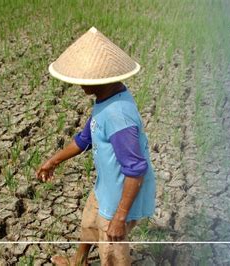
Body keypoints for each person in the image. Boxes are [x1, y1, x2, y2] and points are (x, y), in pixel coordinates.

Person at [36, 27, 156, 266]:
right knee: (89, 223)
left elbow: (135, 169)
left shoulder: (118, 117)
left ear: (101, 80)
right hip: (106, 189)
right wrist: (54, 161)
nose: (79, 84)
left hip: (120, 197)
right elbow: (84, 138)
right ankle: (78, 262)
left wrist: (120, 217)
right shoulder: (107, 98)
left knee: (112, 250)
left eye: (84, 78)